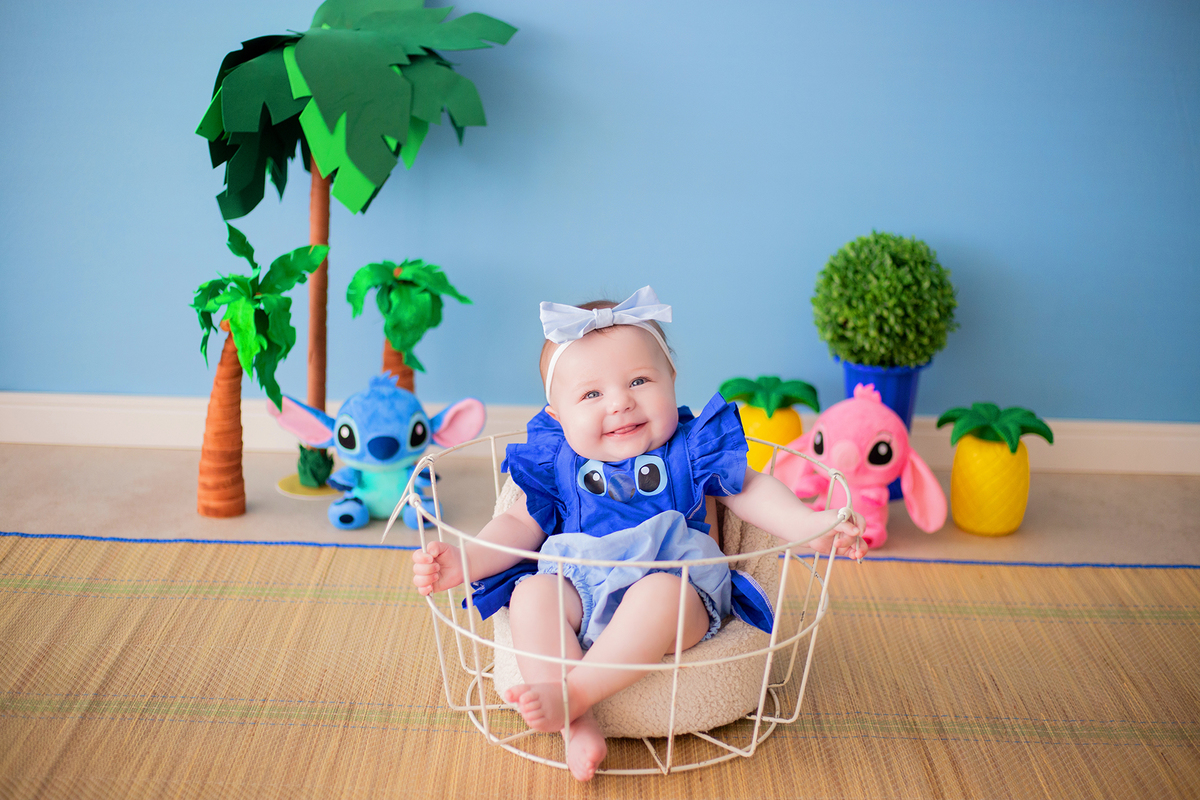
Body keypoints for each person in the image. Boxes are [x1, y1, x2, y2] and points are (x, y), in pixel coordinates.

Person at [412, 287, 865, 781]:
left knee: (656, 595)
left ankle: (575, 693)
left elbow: (751, 489)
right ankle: (576, 725)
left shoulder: (690, 449)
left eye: (640, 380)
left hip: (677, 588)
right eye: (591, 394)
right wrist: (465, 560)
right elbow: (519, 525)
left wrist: (809, 526)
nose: (621, 403)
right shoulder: (558, 462)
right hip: (581, 587)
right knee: (531, 595)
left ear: (672, 381)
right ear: (558, 416)